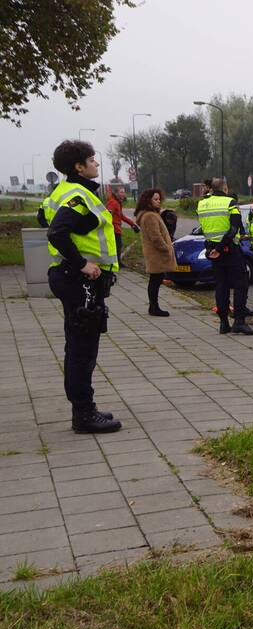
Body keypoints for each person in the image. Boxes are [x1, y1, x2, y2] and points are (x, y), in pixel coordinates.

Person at [44, 140, 121, 433]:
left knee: (77, 343)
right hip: (79, 279)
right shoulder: (77, 195)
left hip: (69, 277)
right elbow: (57, 232)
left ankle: (84, 408)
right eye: (92, 160)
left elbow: (43, 217)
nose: (96, 164)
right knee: (83, 347)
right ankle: (84, 414)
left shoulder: (61, 192)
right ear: (78, 167)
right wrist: (81, 263)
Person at [197, 178, 253, 335]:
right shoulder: (230, 202)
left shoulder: (202, 204)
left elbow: (205, 228)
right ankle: (239, 321)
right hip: (229, 250)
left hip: (213, 250)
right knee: (240, 284)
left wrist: (214, 248)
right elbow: (234, 228)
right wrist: (221, 247)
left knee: (221, 286)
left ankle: (223, 323)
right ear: (225, 188)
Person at [135, 188, 177, 316]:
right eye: (155, 199)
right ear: (148, 200)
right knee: (155, 280)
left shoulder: (151, 214)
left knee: (156, 280)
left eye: (159, 199)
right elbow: (156, 237)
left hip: (155, 253)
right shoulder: (149, 216)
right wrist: (166, 248)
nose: (159, 202)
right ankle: (154, 307)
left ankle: (154, 306)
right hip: (157, 254)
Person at [105, 186, 139, 259]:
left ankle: (118, 262)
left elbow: (121, 216)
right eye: (121, 192)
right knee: (117, 247)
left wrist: (132, 224)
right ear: (116, 193)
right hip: (113, 230)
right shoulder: (113, 202)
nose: (123, 194)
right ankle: (117, 263)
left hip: (117, 229)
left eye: (124, 192)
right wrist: (110, 228)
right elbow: (107, 216)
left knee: (118, 246)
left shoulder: (117, 202)